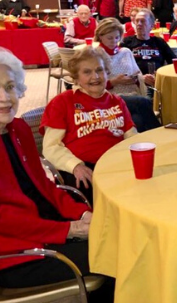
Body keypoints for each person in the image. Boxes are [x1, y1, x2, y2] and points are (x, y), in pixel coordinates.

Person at [0, 46, 120, 303]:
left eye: (10, 87)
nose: (4, 98)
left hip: (44, 231)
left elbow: (44, 188)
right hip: (9, 257)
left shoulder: (16, 129)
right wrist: (68, 230)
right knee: (119, 253)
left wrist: (81, 213)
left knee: (124, 236)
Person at [41, 47, 138, 203]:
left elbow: (131, 136)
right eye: (87, 72)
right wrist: (75, 166)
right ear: (76, 77)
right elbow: (51, 147)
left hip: (116, 164)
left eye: (100, 70)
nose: (96, 76)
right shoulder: (62, 102)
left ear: (107, 73)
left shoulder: (116, 101)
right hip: (82, 168)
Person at [95, 18, 161, 132]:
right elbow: (93, 86)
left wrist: (137, 79)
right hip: (110, 98)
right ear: (100, 36)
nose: (114, 41)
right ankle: (160, 132)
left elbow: (137, 73)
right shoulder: (96, 56)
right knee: (144, 102)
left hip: (132, 94)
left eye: (117, 37)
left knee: (138, 121)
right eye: (109, 38)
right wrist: (114, 81)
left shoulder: (125, 52)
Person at [121, 8, 176, 82]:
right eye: (137, 21)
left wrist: (162, 74)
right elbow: (121, 68)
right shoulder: (127, 42)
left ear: (151, 26)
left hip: (157, 81)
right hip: (136, 83)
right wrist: (140, 78)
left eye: (143, 21)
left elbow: (173, 62)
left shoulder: (159, 42)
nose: (139, 24)